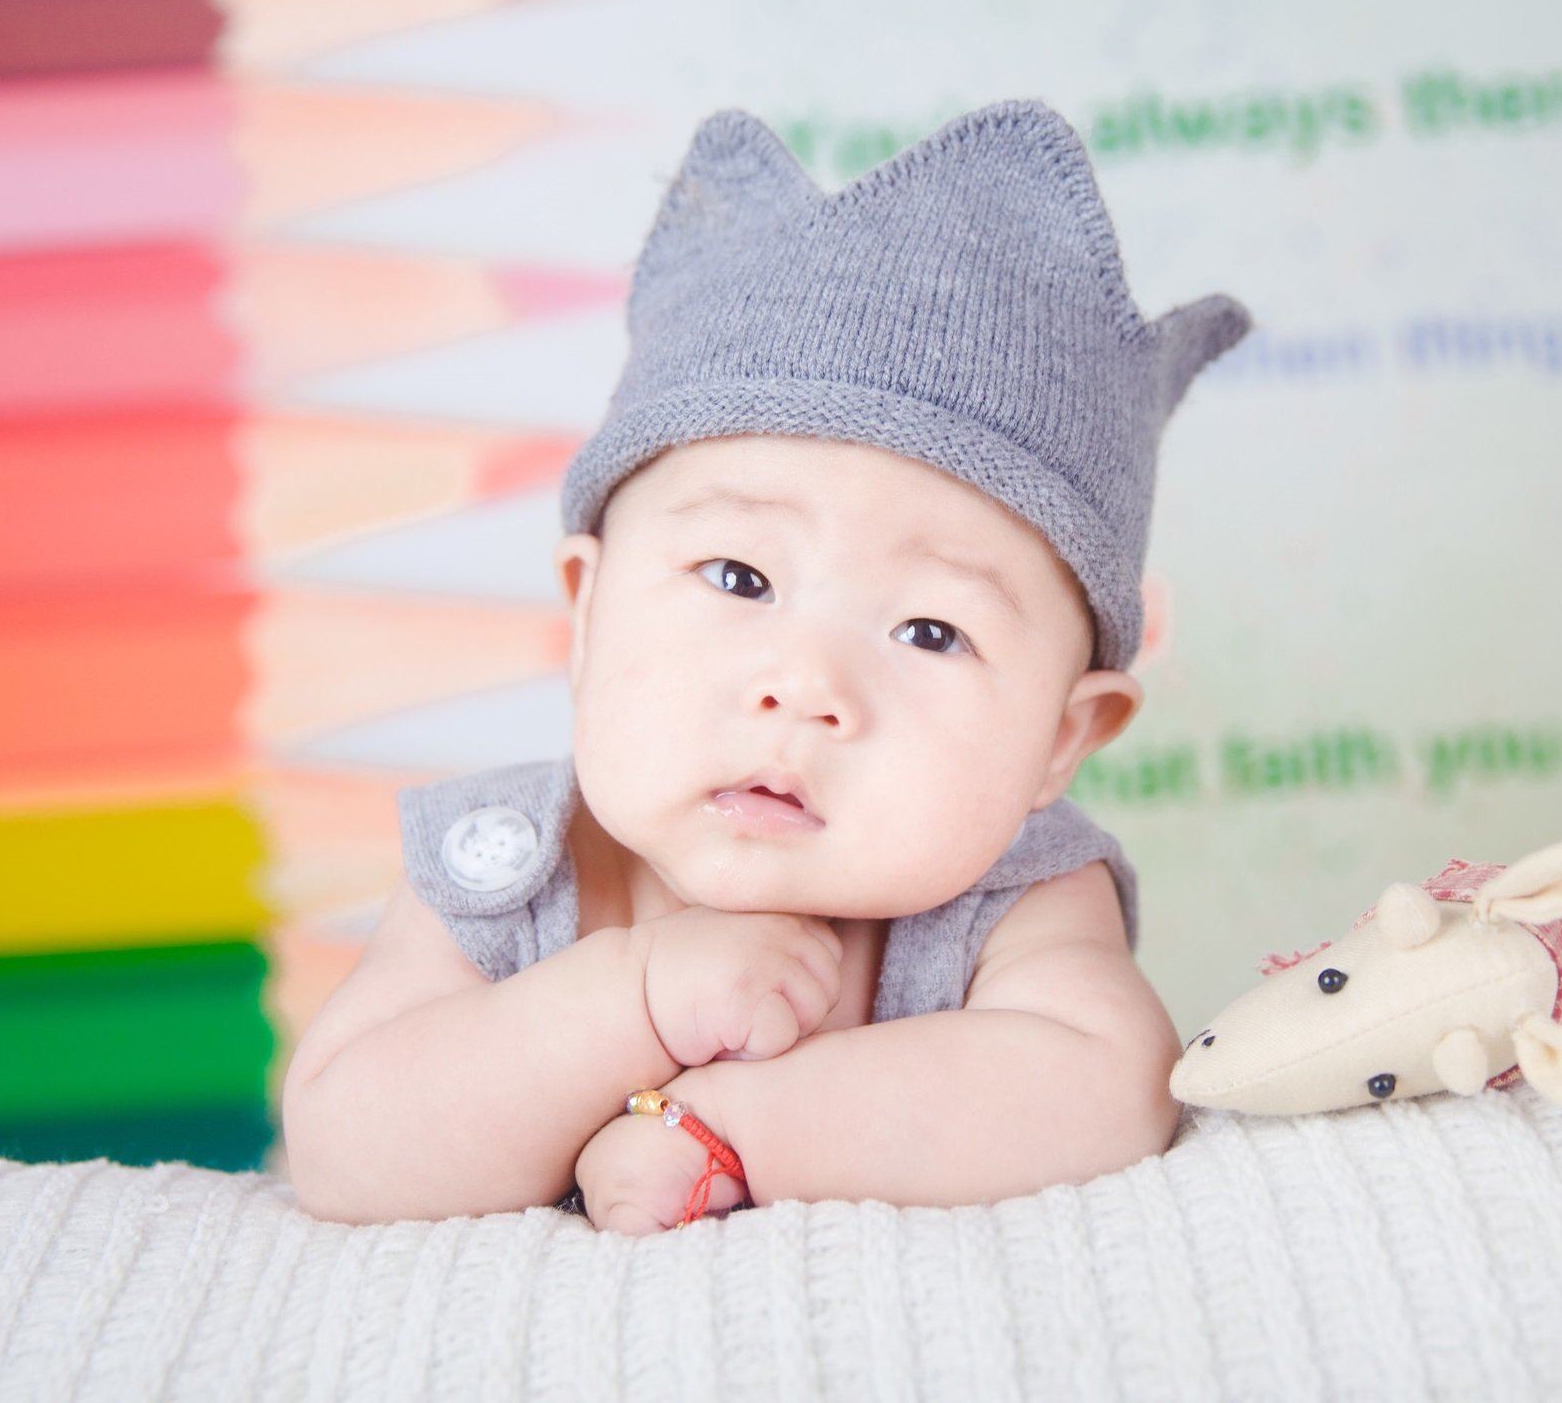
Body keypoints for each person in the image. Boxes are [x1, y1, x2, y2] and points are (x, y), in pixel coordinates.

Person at [279, 98, 1250, 1232]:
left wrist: (739, 1126)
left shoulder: (1013, 898)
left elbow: (1106, 1083)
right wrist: (634, 998)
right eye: (739, 577)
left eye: (931, 632)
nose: (806, 688)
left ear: (1059, 739)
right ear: (589, 612)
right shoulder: (514, 872)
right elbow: (348, 1148)